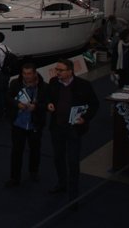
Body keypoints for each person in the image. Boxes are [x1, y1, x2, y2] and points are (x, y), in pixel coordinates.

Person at [46, 58, 99, 204]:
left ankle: (73, 194)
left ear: (70, 71)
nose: (57, 73)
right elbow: (48, 97)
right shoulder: (53, 82)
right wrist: (49, 103)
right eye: (56, 70)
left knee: (73, 161)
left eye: (60, 70)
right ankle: (62, 183)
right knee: (58, 158)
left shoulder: (84, 85)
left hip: (74, 129)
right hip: (57, 128)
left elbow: (94, 104)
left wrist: (85, 118)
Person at [5, 62, 48, 187]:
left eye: (29, 74)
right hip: (18, 124)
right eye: (24, 73)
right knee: (16, 151)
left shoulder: (44, 87)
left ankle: (33, 172)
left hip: (35, 124)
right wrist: (17, 104)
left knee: (35, 150)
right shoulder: (15, 84)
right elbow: (8, 98)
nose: (26, 76)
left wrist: (36, 107)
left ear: (35, 73)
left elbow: (47, 104)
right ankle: (14, 177)